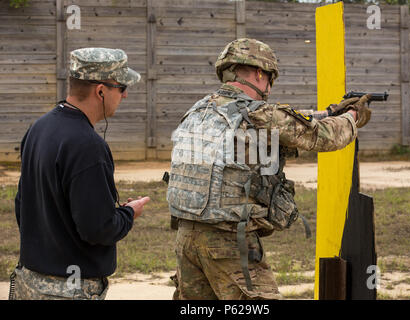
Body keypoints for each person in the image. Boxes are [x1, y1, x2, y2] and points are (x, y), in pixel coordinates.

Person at [166, 38, 372, 300]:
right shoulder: (257, 114)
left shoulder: (199, 110)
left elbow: (288, 121)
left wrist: (329, 111)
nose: (269, 87)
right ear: (260, 73)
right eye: (270, 78)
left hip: (187, 238)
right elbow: (323, 137)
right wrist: (353, 117)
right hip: (228, 242)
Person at [10, 48, 150, 300]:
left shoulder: (38, 128)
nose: (125, 94)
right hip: (69, 291)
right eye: (121, 87)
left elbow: (23, 204)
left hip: (28, 282)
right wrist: (129, 213)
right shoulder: (88, 146)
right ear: (100, 91)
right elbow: (98, 229)